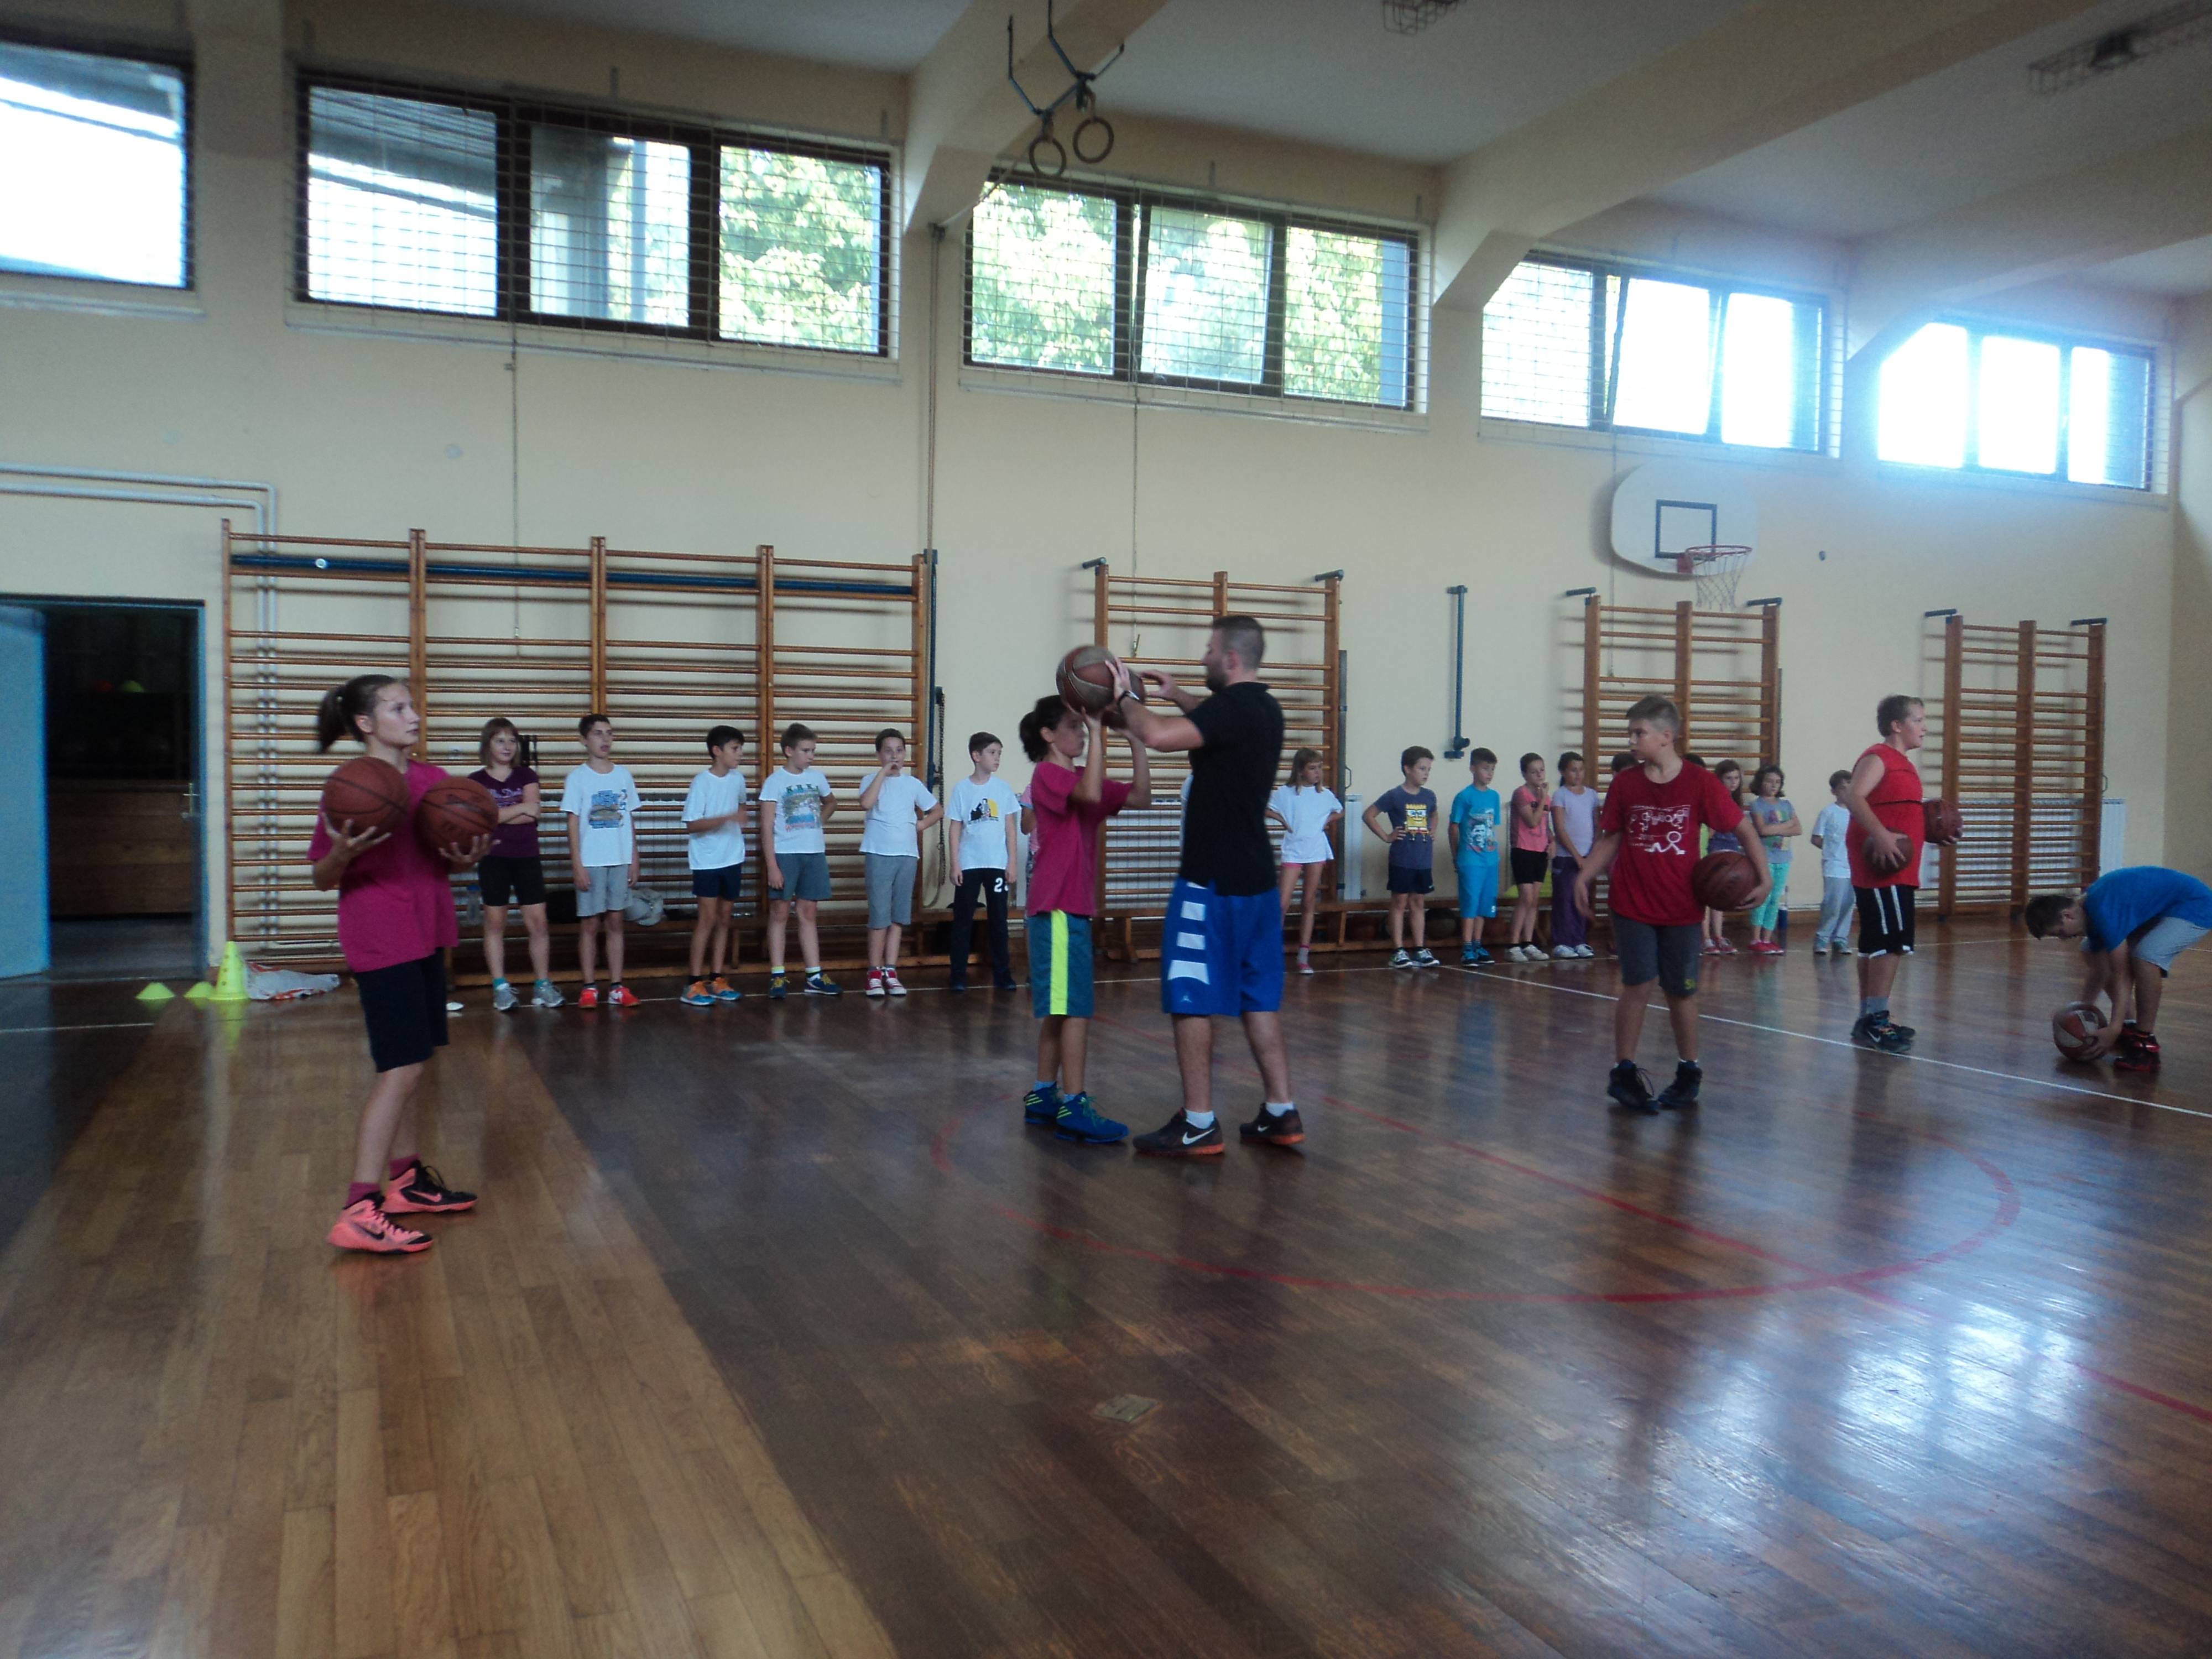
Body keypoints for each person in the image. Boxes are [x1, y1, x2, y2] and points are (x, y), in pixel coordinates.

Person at [310, 675, 487, 1254]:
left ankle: (406, 1181)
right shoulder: (350, 787)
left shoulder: (435, 784)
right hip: (380, 936)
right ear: (366, 723)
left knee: (415, 1062)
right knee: (400, 1069)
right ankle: (359, 1209)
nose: (413, 716)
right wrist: (342, 853)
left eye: (412, 706)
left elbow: (443, 862)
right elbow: (321, 877)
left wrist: (467, 856)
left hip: (426, 931)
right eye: (398, 708)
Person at [1113, 614, 1298, 1155]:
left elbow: (1156, 736)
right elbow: (1212, 723)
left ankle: (1197, 1123)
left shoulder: (1232, 708)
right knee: (1258, 1000)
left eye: (1210, 650)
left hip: (1211, 882)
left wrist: (1124, 695)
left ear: (1231, 659)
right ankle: (1281, 1111)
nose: (1202, 658)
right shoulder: (1263, 708)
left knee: (1191, 996)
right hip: (1259, 881)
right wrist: (1178, 695)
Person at [1573, 696, 1770, 1114]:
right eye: (1630, 733)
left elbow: (1743, 829)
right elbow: (1611, 837)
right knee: (1638, 983)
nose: (1632, 741)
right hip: (1632, 902)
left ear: (1666, 736)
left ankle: (1688, 1072)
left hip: (1682, 906)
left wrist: (1765, 877)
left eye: (1639, 733)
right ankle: (1624, 1073)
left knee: (1681, 991)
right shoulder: (1626, 784)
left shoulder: (1700, 783)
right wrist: (1584, 875)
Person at [1019, 694, 1150, 1144]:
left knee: (1061, 1008)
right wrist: (1097, 727)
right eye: (1073, 727)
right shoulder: (1048, 774)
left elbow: (1141, 797)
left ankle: (1043, 1095)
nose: (1081, 733)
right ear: (1048, 735)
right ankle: (1074, 1104)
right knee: (1074, 1008)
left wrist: (1134, 740)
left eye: (1082, 727)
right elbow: (1091, 794)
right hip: (1057, 906)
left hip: (1068, 907)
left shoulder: (1079, 777)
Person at [2026, 868, 2212, 1072]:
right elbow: (2100, 972)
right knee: (2090, 950)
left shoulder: (2103, 912)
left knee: (2146, 956)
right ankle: (2130, 1028)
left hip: (2195, 904)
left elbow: (2122, 974)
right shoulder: (2089, 913)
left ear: (2067, 915)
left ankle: (2145, 1043)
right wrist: (2079, 1009)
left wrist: (2113, 1028)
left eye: (2060, 933)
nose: (2063, 939)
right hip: (2164, 908)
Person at [1844, 695, 1927, 1052]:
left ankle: (1868, 1020)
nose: (1924, 727)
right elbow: (1854, 797)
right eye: (1918, 720)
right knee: (1890, 943)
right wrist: (1880, 834)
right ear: (1897, 725)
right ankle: (1878, 1021)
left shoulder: (1903, 764)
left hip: (1896, 865)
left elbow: (1900, 813)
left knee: (1874, 942)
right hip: (1883, 865)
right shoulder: (1879, 757)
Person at [469, 716, 560, 1011]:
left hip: (526, 857)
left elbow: (534, 813)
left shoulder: (526, 775)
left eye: (511, 740)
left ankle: (542, 984)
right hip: (493, 858)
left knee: (539, 923)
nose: (507, 746)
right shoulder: (476, 781)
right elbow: (482, 820)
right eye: (500, 740)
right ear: (488, 745)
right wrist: (520, 808)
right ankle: (501, 986)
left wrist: (498, 814)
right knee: (495, 923)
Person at [560, 713, 641, 1009]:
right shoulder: (577, 778)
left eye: (609, 733)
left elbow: (629, 819)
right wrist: (577, 864)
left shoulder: (624, 776)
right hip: (591, 861)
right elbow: (572, 823)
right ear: (584, 740)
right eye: (598, 733)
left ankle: (617, 986)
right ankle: (589, 987)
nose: (605, 739)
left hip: (619, 859)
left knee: (616, 921)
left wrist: (634, 857)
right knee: (590, 924)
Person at [758, 723, 840, 998]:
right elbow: (766, 826)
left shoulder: (817, 778)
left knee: (808, 913)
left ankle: (814, 974)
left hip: (813, 853)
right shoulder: (775, 782)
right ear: (789, 751)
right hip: (785, 853)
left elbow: (831, 802)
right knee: (780, 913)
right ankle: (777, 974)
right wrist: (772, 866)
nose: (811, 756)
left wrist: (818, 822)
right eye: (806, 751)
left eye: (813, 751)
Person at [857, 728, 941, 997]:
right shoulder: (870, 780)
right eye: (888, 751)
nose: (895, 756)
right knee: (879, 916)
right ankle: (874, 972)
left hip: (907, 856)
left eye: (900, 750)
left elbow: (937, 810)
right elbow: (866, 803)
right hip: (879, 854)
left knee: (898, 916)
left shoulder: (912, 784)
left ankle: (890, 971)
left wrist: (922, 825)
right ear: (879, 755)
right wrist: (883, 773)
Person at [946, 731, 1021, 993]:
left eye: (999, 753)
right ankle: (958, 975)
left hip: (997, 864)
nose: (997, 758)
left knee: (999, 920)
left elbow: (1010, 828)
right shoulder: (962, 789)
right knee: (963, 921)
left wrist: (1012, 862)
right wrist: (955, 864)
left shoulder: (1003, 788)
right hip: (969, 864)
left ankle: (1003, 974)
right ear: (976, 756)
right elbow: (955, 828)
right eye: (992, 753)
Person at [679, 725, 749, 1009]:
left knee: (724, 919)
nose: (740, 754)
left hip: (732, 857)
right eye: (735, 749)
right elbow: (692, 825)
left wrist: (738, 816)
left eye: (741, 748)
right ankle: (694, 982)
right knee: (707, 920)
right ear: (717, 751)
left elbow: (741, 807)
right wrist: (726, 818)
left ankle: (717, 977)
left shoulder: (738, 779)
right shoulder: (701, 783)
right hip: (707, 861)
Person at [1268, 747, 1342, 976]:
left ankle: (1303, 954)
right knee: (1282, 903)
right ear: (1300, 771)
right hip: (1294, 850)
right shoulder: (1285, 793)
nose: (1318, 772)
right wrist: (1283, 820)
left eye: (1319, 768)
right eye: (1312, 768)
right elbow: (1265, 808)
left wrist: (1325, 822)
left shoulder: (1325, 794)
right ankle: (1273, 953)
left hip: (1316, 850)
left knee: (1309, 902)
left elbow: (1339, 811)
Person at [1366, 746, 1440, 969]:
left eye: (1429, 769)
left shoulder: (1429, 796)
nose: (1426, 773)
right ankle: (1398, 950)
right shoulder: (1395, 796)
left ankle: (1419, 948)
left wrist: (1433, 829)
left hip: (1423, 859)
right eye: (1422, 769)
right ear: (1408, 769)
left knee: (1418, 902)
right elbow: (1369, 815)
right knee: (1400, 902)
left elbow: (1434, 813)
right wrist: (1387, 837)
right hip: (1403, 858)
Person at [1449, 749, 1501, 965]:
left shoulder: (1494, 797)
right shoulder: (1464, 797)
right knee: (1470, 901)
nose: (1489, 773)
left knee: (1484, 903)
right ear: (1473, 769)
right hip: (1470, 859)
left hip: (1490, 859)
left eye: (1492, 769)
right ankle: (1467, 946)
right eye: (1485, 768)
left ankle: (1478, 944)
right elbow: (1454, 827)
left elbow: (1492, 827)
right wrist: (1456, 856)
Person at [1745, 764, 1801, 954]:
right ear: (1761, 782)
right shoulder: (1757, 805)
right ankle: (1755, 938)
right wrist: (1786, 825)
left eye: (1778, 782)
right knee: (1764, 896)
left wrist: (1776, 828)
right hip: (1765, 857)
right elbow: (1762, 830)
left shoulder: (1787, 805)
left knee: (1776, 898)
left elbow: (1798, 829)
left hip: (1784, 858)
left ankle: (1767, 939)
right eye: (1769, 781)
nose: (1774, 785)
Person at [1547, 750, 1598, 959]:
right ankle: (1562, 941)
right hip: (1566, 857)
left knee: (1581, 900)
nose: (1578, 774)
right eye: (1573, 770)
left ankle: (1579, 940)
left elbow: (1597, 826)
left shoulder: (1592, 795)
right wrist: (1577, 856)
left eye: (1581, 770)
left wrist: (1592, 855)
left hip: (1587, 858)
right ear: (1563, 772)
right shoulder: (1560, 795)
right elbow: (1560, 829)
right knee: (1565, 899)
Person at [1505, 752, 1554, 963]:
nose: (1540, 775)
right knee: (1525, 897)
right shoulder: (1521, 794)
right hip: (1523, 849)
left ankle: (1528, 942)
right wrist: (1542, 799)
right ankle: (1513, 945)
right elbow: (1532, 822)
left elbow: (1544, 825)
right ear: (1525, 774)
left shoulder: (1546, 798)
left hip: (1540, 851)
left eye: (1542, 770)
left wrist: (1552, 841)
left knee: (1534, 899)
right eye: (1534, 772)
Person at [1701, 759, 1746, 955]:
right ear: (1719, 779)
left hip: (1731, 853)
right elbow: (1710, 831)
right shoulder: (1714, 801)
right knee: (1709, 896)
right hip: (1715, 852)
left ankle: (1718, 935)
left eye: (1736, 778)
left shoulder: (1735, 802)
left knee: (1720, 898)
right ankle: (1706, 938)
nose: (1733, 782)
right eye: (1728, 778)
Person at [1809, 770, 1855, 955]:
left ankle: (1840, 939)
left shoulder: (1858, 812)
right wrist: (1832, 850)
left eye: (1850, 787)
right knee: (1833, 904)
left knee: (1848, 904)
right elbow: (1816, 838)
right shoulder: (1829, 812)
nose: (1848, 792)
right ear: (1834, 791)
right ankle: (1822, 938)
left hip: (1853, 866)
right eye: (1843, 788)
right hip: (1835, 865)